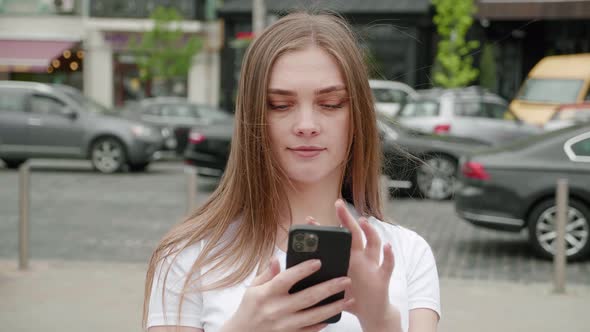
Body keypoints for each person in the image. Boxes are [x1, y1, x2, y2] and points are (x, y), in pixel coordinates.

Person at [143, 11, 440, 332]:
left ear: (357, 117)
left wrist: (381, 321)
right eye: (280, 105)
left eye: (331, 104)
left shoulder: (408, 255)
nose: (307, 126)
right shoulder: (188, 258)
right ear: (253, 117)